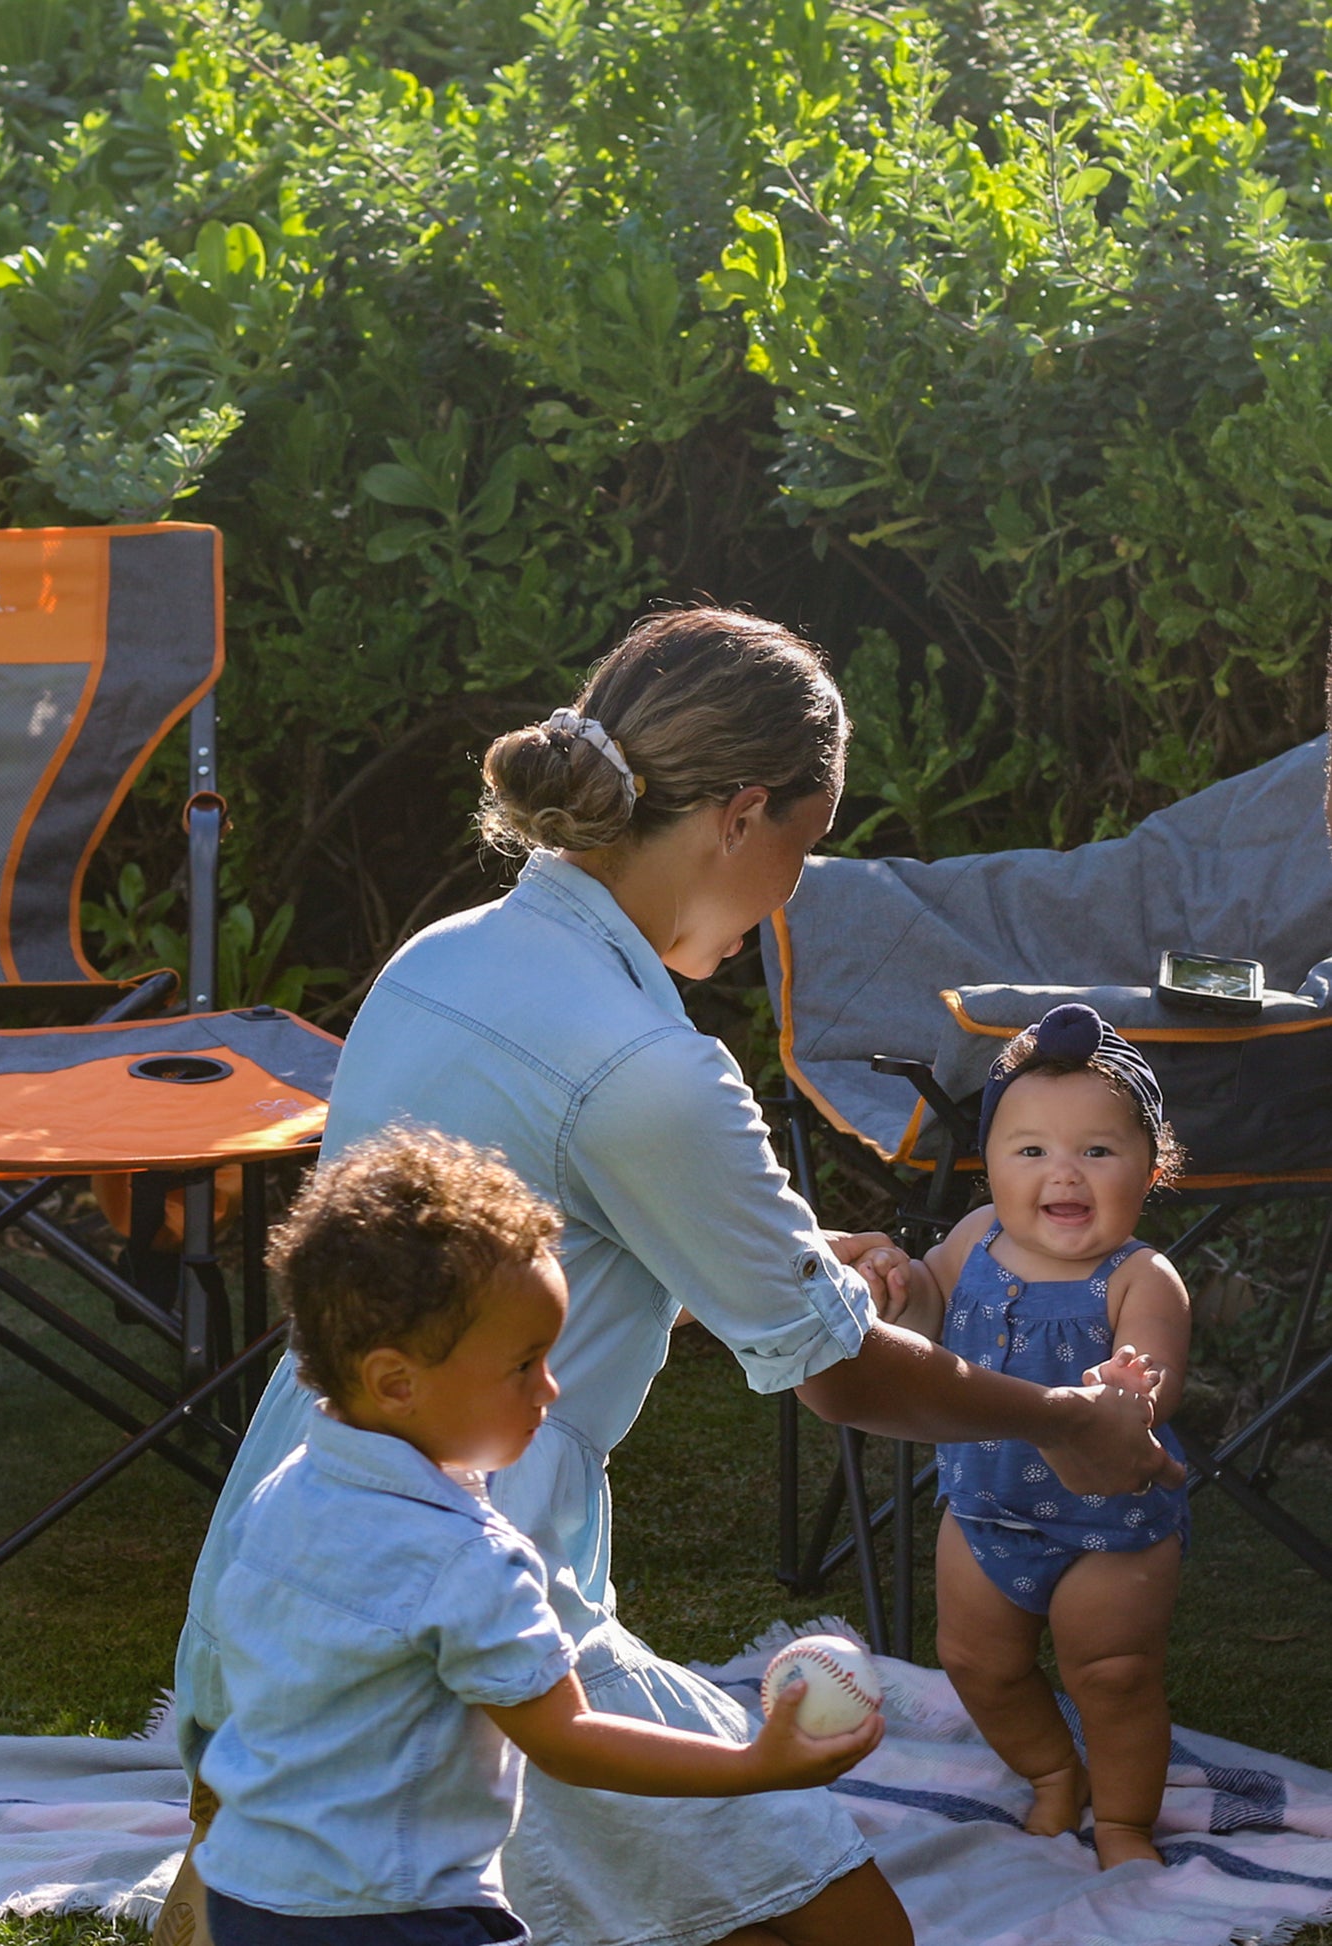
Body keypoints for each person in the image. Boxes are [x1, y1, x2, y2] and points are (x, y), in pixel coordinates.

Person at [164, 606, 1181, 1946]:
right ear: (739, 815)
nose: (792, 891)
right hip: (479, 1560)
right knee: (847, 1931)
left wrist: (777, 1260)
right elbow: (832, 1375)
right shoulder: (651, 1069)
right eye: (802, 849)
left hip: (292, 1531)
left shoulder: (441, 960)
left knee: (289, 1866)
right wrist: (1067, 1425)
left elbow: (491, 1239)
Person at [196, 1129, 884, 1946]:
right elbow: (566, 1739)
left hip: (248, 1893)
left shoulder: (284, 1494)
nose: (551, 1388)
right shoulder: (468, 1558)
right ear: (395, 1382)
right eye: (524, 1364)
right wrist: (750, 1768)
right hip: (393, 1912)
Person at [863, 1003, 1191, 1869]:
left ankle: (1121, 1821)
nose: (1065, 1174)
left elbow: (1152, 1379)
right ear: (991, 1165)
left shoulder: (1141, 1278)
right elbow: (930, 1314)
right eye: (1032, 1150)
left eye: (1097, 1150)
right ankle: (1052, 1773)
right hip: (983, 1504)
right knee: (976, 1660)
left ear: (1151, 1167)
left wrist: (1129, 1392)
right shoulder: (973, 1240)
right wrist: (900, 1290)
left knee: (1114, 1673)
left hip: (1110, 1524)